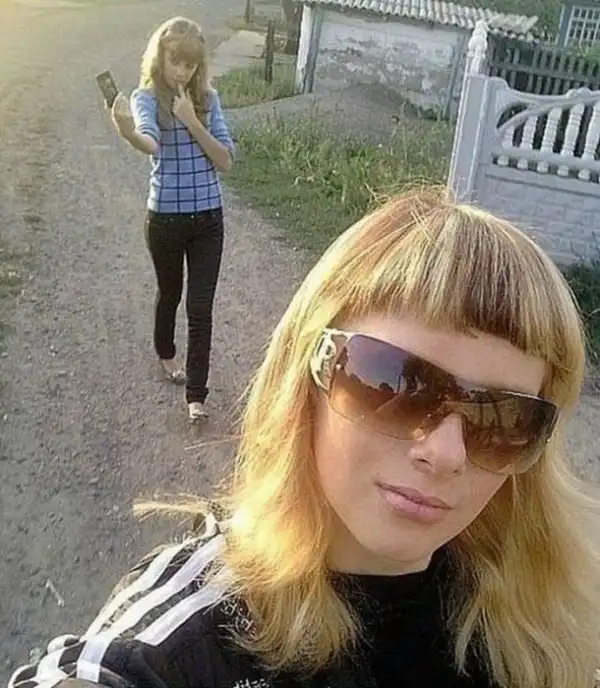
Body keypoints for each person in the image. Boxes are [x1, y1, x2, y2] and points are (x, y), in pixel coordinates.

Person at [9, 189, 600, 688]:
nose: (445, 453)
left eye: (504, 418)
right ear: (307, 374)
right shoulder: (194, 636)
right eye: (396, 383)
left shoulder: (536, 624)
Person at [110, 16, 234, 423]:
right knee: (170, 293)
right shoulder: (145, 97)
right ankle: (166, 351)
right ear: (160, 57)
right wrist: (127, 131)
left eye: (190, 64)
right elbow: (149, 141)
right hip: (165, 218)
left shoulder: (209, 99)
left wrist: (192, 120)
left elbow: (225, 160)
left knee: (200, 307)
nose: (182, 71)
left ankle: (196, 396)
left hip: (208, 220)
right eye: (175, 61)